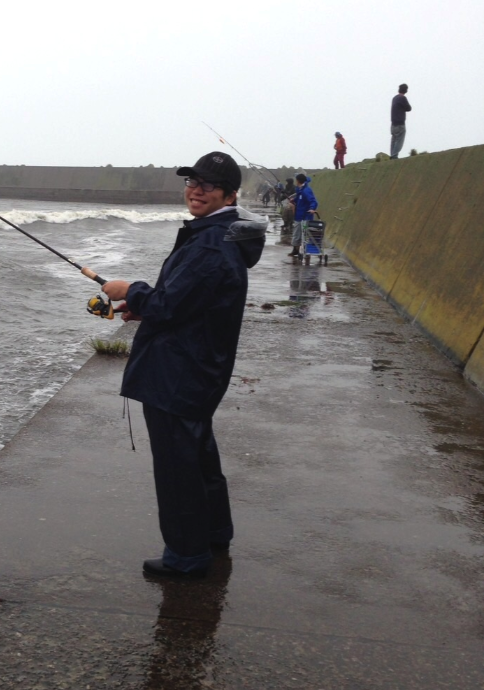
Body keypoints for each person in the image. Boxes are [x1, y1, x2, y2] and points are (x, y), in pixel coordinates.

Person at [101, 152, 267, 578]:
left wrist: (131, 291)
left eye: (208, 185)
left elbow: (169, 303)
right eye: (192, 182)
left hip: (179, 372)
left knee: (178, 467)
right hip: (198, 366)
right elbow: (190, 302)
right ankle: (214, 532)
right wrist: (145, 309)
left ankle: (186, 556)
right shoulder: (219, 236)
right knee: (198, 454)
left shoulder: (211, 243)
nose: (196, 190)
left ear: (230, 195)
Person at [288, 172, 318, 257]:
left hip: (305, 217)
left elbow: (313, 201)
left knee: (304, 235)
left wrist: (312, 208)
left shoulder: (306, 190)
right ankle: (296, 250)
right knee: (296, 234)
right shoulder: (300, 190)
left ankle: (304, 251)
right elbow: (299, 199)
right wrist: (294, 200)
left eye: (296, 180)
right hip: (299, 216)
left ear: (298, 181)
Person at [390, 84, 412, 159]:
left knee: (394, 140)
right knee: (399, 141)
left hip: (393, 124)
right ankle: (394, 156)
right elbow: (409, 108)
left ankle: (392, 154)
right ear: (406, 90)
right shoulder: (403, 98)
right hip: (400, 124)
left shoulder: (394, 98)